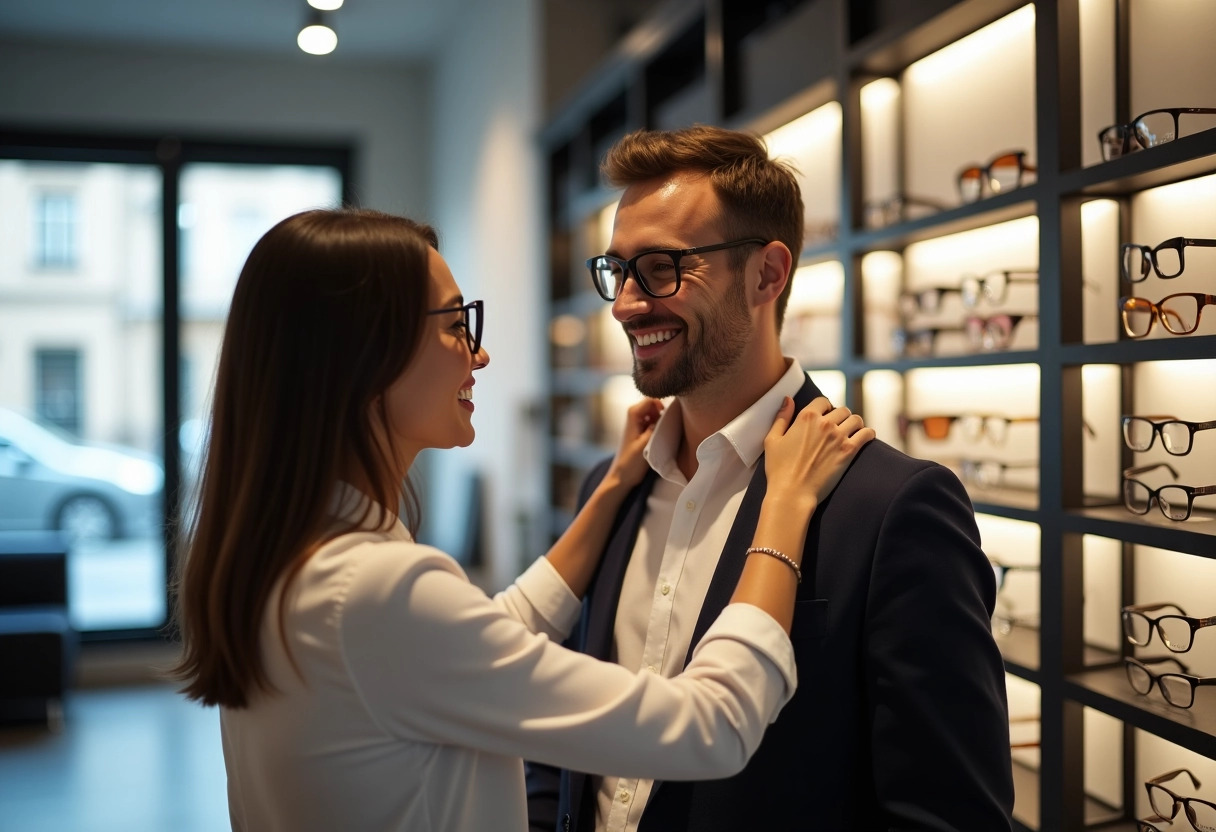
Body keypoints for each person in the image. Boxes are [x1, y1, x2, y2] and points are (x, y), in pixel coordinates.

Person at [170, 207, 875, 832]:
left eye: (661, 269)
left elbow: (481, 643)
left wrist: (609, 494)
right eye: (455, 325)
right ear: (360, 358)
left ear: (766, 275)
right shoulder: (377, 590)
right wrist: (782, 509)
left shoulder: (289, 561)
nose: (479, 354)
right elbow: (709, 728)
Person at [525, 126, 1015, 832]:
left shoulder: (890, 506)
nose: (628, 303)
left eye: (661, 267)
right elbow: (562, 725)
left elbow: (948, 812)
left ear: (767, 274)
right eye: (618, 269)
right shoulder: (611, 486)